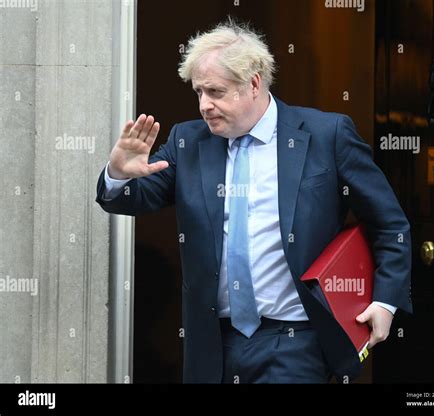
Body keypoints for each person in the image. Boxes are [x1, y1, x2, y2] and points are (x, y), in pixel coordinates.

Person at [96, 19, 412, 384]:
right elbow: (136, 199)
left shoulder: (327, 135)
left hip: (295, 341)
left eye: (215, 91)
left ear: (254, 83)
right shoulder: (188, 141)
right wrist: (120, 174)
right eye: (198, 92)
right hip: (213, 344)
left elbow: (390, 224)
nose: (204, 105)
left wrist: (386, 301)